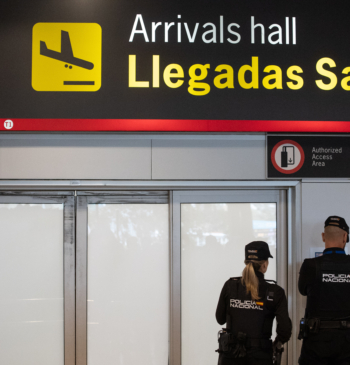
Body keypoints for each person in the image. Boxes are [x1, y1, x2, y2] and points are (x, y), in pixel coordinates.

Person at [216, 241, 292, 365]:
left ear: (246, 263)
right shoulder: (275, 291)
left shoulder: (230, 285)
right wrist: (275, 344)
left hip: (230, 355)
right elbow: (285, 330)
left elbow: (220, 319)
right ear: (265, 265)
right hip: (260, 356)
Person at [298, 215, 350, 365]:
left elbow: (303, 291)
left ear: (323, 236)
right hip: (347, 341)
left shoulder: (310, 266)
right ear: (345, 237)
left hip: (317, 340)